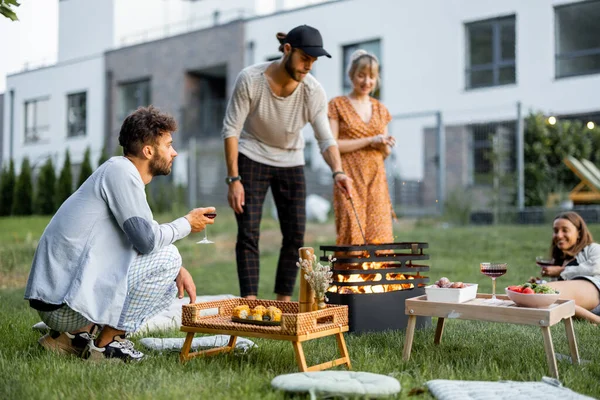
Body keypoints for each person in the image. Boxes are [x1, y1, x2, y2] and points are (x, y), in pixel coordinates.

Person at [24, 106, 216, 361]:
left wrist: (178, 271)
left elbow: (138, 237)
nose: (174, 152)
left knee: (171, 270)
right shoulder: (121, 172)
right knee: (169, 258)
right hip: (61, 303)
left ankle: (71, 338)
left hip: (55, 298)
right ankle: (108, 346)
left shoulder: (120, 173)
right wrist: (187, 223)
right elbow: (147, 241)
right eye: (168, 145)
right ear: (148, 151)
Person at [221, 25, 353, 302]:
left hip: (291, 160)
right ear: (287, 50)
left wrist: (338, 171)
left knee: (295, 234)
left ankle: (283, 300)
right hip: (252, 154)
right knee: (248, 231)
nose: (308, 66)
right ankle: (250, 301)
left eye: (313, 61)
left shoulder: (313, 91)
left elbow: (325, 139)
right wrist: (234, 180)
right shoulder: (250, 79)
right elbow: (231, 130)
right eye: (305, 58)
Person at [328, 50, 396, 246]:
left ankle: (380, 275)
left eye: (372, 77)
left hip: (375, 179)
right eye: (361, 75)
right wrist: (369, 140)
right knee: (351, 234)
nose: (367, 81)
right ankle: (349, 275)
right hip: (349, 177)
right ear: (351, 75)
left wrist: (384, 144)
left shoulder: (381, 109)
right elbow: (333, 145)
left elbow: (385, 153)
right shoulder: (337, 105)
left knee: (379, 233)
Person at [539, 211, 600, 324]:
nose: (559, 235)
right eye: (556, 231)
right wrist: (540, 283)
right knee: (539, 296)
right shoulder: (560, 259)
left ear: (579, 233)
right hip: (579, 301)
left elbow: (596, 267)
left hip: (596, 292)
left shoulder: (593, 248)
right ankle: (593, 319)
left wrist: (561, 271)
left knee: (546, 294)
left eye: (565, 230)